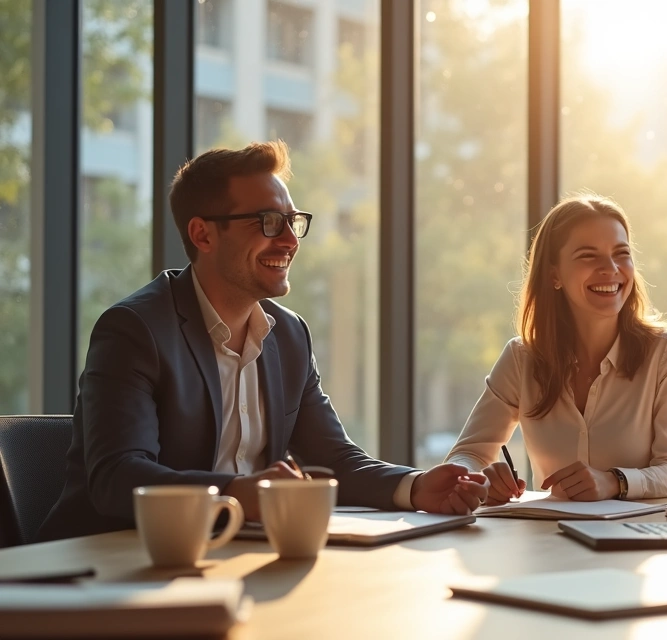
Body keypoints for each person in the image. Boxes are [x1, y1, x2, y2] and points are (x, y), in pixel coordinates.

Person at [39, 141, 488, 542]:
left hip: (228, 557)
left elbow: (334, 459)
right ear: (203, 234)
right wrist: (238, 493)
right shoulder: (135, 329)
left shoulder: (289, 335)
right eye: (269, 222)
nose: (290, 240)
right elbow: (118, 477)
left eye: (292, 221)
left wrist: (415, 486)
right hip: (105, 567)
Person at [443, 194, 667, 503]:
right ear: (554, 274)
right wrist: (479, 478)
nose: (611, 268)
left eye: (622, 253)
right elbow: (468, 453)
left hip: (638, 530)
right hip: (549, 531)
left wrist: (615, 482)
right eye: (588, 256)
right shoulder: (521, 358)